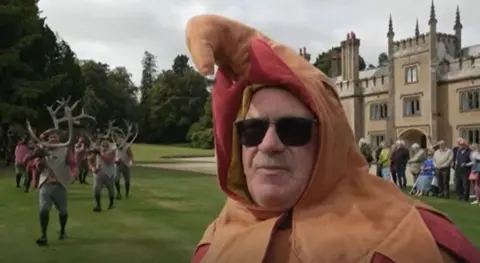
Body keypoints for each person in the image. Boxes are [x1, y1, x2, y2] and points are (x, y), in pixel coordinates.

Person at [185, 15, 479, 263]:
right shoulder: (215, 242)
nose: (268, 144)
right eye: (252, 130)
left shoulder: (413, 241)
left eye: (293, 130)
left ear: (329, 140)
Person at [25, 128, 77, 246]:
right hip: (45, 184)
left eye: (56, 137)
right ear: (48, 139)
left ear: (59, 139)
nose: (53, 138)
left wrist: (74, 174)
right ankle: (43, 235)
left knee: (63, 212)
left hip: (60, 184)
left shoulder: (65, 150)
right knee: (43, 210)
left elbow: (73, 164)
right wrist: (38, 164)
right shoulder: (41, 149)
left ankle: (62, 231)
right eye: (51, 137)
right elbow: (33, 165)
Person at [88, 137, 116, 212]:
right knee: (96, 189)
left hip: (109, 173)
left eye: (106, 142)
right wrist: (93, 168)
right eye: (103, 142)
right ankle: (98, 205)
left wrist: (100, 154)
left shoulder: (112, 151)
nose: (104, 143)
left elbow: (109, 160)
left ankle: (111, 203)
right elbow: (90, 160)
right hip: (99, 173)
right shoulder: (97, 150)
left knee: (111, 190)